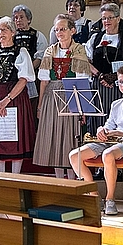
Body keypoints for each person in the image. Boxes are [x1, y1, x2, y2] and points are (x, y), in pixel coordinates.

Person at [69, 64, 123, 215]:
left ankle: (110, 199)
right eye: (120, 82)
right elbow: (108, 125)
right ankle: (94, 195)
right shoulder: (116, 104)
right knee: (75, 155)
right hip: (111, 140)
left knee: (108, 154)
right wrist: (102, 129)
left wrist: (121, 133)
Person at [33, 14, 91, 178]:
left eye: (63, 29)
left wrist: (83, 109)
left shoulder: (79, 50)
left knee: (70, 139)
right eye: (57, 29)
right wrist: (40, 106)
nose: (59, 32)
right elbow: (44, 81)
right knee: (53, 140)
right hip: (52, 97)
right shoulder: (50, 51)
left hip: (72, 94)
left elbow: (82, 81)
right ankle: (59, 181)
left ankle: (73, 181)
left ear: (72, 30)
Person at [0, 17, 36, 173]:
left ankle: (16, 177)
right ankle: (0, 177)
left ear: (13, 32)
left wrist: (6, 100)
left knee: (15, 139)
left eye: (4, 30)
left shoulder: (21, 52)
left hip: (15, 98)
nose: (0, 33)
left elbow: (23, 79)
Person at [86, 3, 123, 135]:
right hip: (97, 85)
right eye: (104, 18)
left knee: (114, 119)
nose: (107, 21)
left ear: (118, 18)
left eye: (110, 18)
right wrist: (99, 75)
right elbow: (86, 61)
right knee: (96, 119)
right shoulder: (95, 38)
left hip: (117, 86)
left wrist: (113, 77)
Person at [12, 4, 48, 115]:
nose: (18, 20)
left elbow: (40, 56)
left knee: (31, 105)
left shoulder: (37, 35)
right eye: (16, 18)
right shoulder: (11, 35)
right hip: (14, 77)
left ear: (29, 19)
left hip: (32, 75)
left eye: (21, 17)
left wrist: (28, 71)